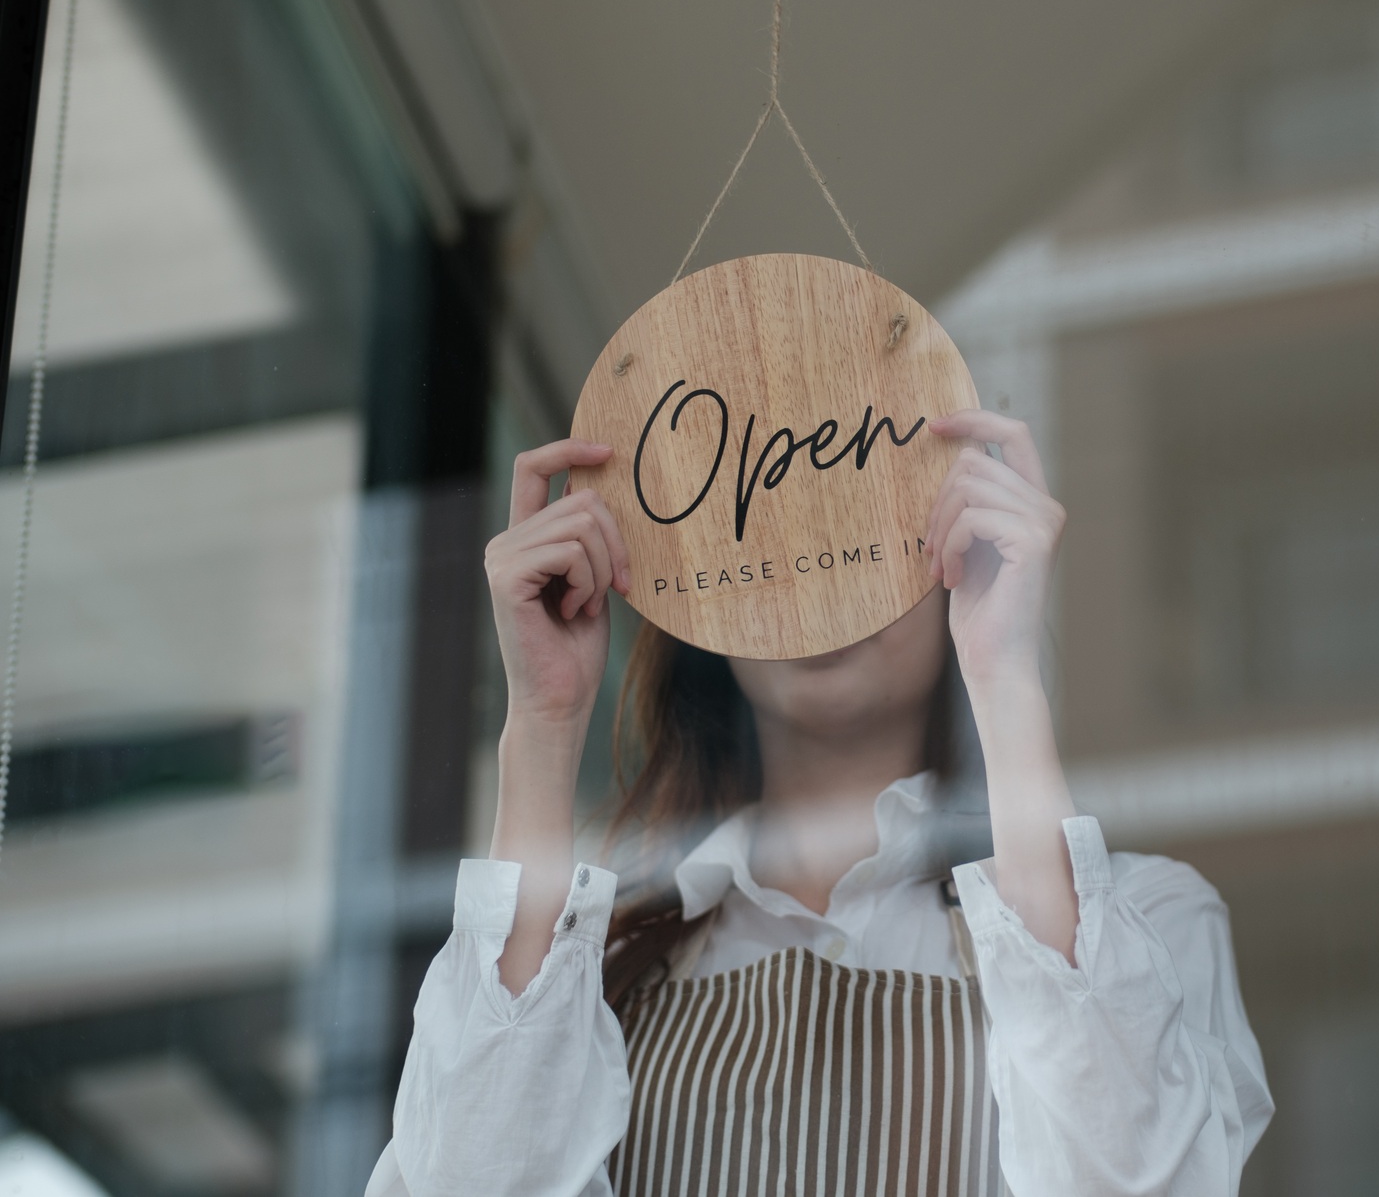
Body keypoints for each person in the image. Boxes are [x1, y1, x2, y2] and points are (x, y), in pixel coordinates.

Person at [364, 410, 1272, 1196]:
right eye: (763, 540)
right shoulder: (592, 975)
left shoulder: (1141, 921)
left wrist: (1004, 677)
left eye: (866, 531)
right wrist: (543, 720)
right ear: (701, 606)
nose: (815, 579)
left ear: (957, 557)